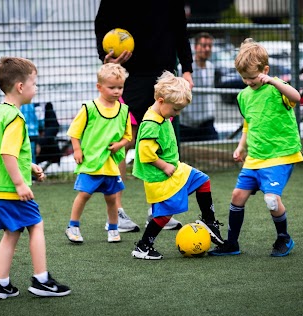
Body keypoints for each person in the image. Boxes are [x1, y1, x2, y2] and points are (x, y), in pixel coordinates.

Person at [95, 0, 194, 231]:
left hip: (165, 73)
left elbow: (180, 29)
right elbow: (102, 23)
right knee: (123, 141)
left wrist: (187, 69)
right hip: (129, 75)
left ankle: (158, 210)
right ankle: (115, 213)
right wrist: (105, 56)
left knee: (160, 140)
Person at [0, 57, 70, 299]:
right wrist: (20, 183)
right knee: (36, 224)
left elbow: (3, 151)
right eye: (34, 83)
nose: (36, 88)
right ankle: (42, 280)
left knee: (12, 232)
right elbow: (6, 152)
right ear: (21, 87)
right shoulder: (16, 118)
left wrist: (29, 167)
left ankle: (2, 284)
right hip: (9, 187)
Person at [208, 38, 303, 257]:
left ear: (265, 70)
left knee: (271, 199)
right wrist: (241, 147)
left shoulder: (277, 88)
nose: (248, 82)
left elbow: (297, 97)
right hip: (255, 157)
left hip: (281, 155)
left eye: (252, 77)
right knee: (237, 196)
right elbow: (249, 123)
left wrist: (273, 82)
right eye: (244, 78)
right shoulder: (243, 96)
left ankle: (284, 239)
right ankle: (232, 243)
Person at [131, 71, 224, 260]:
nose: (177, 114)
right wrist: (164, 166)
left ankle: (209, 221)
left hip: (176, 169)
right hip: (162, 176)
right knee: (165, 215)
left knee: (203, 181)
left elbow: (168, 112)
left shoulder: (162, 113)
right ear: (161, 100)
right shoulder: (151, 123)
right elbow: (145, 153)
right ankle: (143, 247)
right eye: (176, 109)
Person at [65, 63, 132, 244]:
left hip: (110, 165)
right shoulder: (89, 108)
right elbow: (74, 132)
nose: (117, 91)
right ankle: (73, 226)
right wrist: (77, 150)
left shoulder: (124, 111)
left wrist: (119, 145)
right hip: (91, 162)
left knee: (111, 198)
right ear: (99, 87)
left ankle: (113, 228)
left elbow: (128, 137)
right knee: (84, 194)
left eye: (120, 87)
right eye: (112, 87)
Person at [179, 32, 219, 142]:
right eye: (203, 45)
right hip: (186, 123)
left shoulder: (211, 67)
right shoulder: (183, 70)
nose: (207, 49)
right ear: (196, 47)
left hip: (206, 121)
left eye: (209, 46)